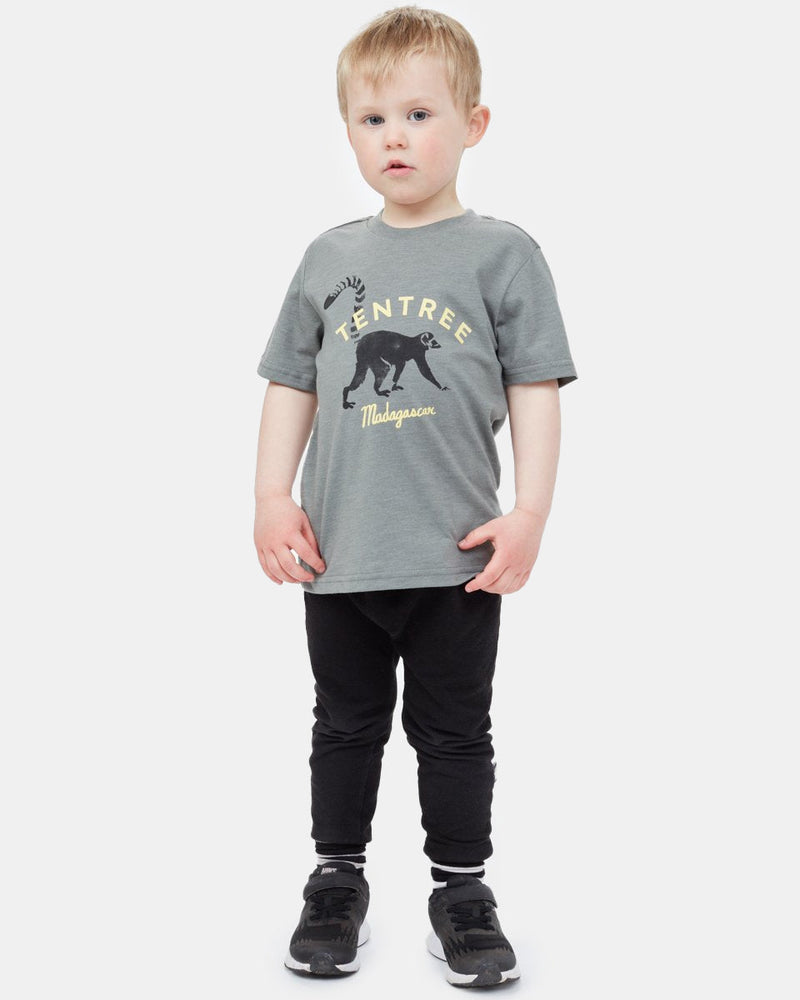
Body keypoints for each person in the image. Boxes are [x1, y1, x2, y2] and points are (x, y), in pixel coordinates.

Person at [253, 5, 577, 988]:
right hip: (342, 554)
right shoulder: (329, 259)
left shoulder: (502, 254)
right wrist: (271, 496)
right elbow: (292, 383)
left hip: (455, 557)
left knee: (455, 732)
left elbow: (534, 387)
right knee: (343, 726)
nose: (394, 137)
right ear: (349, 131)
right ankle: (335, 879)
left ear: (473, 124)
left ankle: (460, 890)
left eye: (419, 115)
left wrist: (530, 513)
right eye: (372, 119)